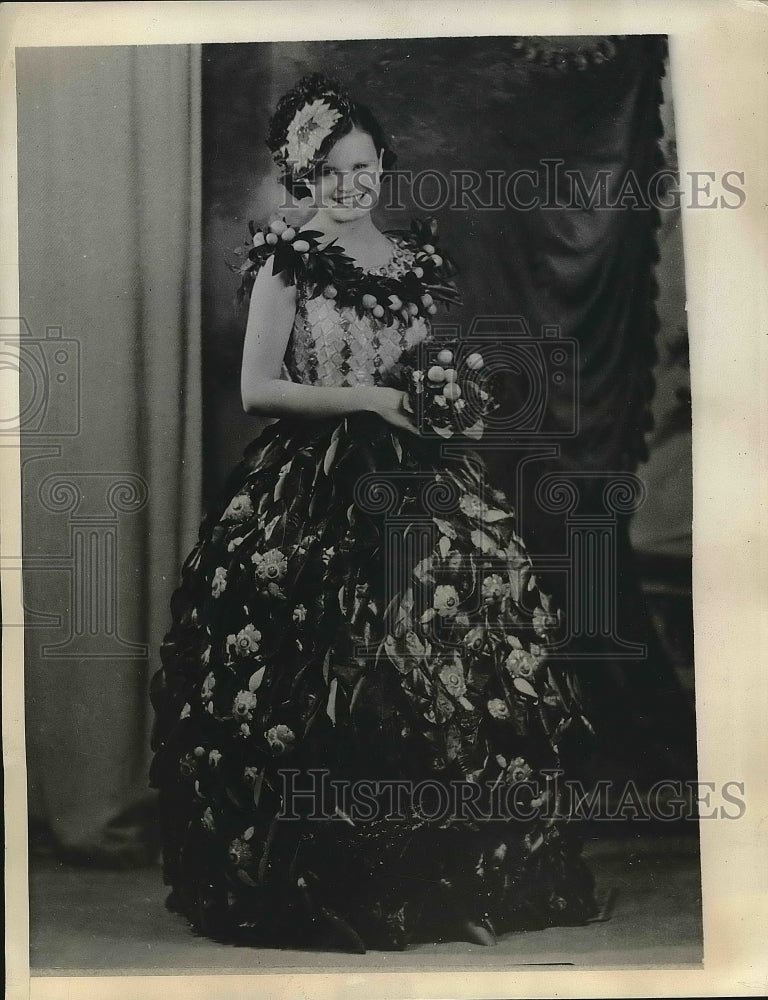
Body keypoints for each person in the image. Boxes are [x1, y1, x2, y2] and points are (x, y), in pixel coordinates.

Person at [149, 73, 598, 953]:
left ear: (383, 165)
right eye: (330, 173)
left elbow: (419, 367)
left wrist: (441, 397)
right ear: (300, 176)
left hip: (419, 472)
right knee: (334, 664)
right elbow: (256, 388)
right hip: (318, 480)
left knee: (441, 656)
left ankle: (442, 879)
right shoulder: (287, 257)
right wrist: (368, 400)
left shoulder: (410, 259)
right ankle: (340, 877)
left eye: (364, 169)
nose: (351, 188)